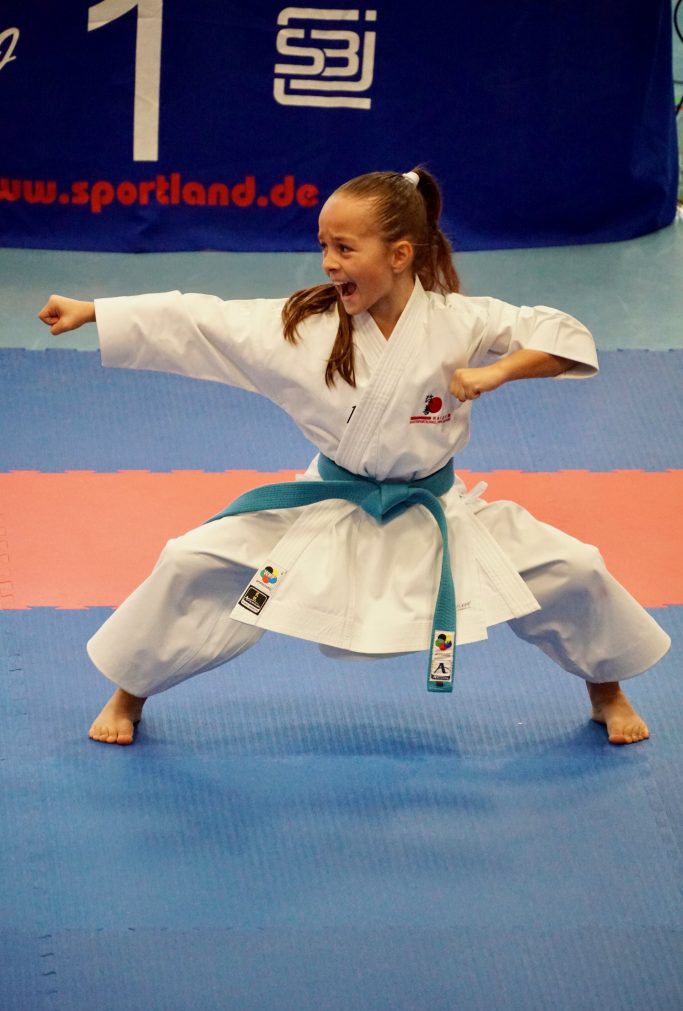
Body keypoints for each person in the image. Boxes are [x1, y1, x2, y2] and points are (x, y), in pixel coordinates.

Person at [38, 167, 670, 747]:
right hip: (328, 512)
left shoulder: (461, 322)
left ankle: (606, 691)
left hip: (437, 515)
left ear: (399, 255)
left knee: (573, 568)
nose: (328, 263)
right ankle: (129, 694)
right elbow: (201, 321)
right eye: (324, 246)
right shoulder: (302, 327)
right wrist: (97, 312)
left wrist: (498, 370)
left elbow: (562, 336)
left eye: (344, 248)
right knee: (192, 561)